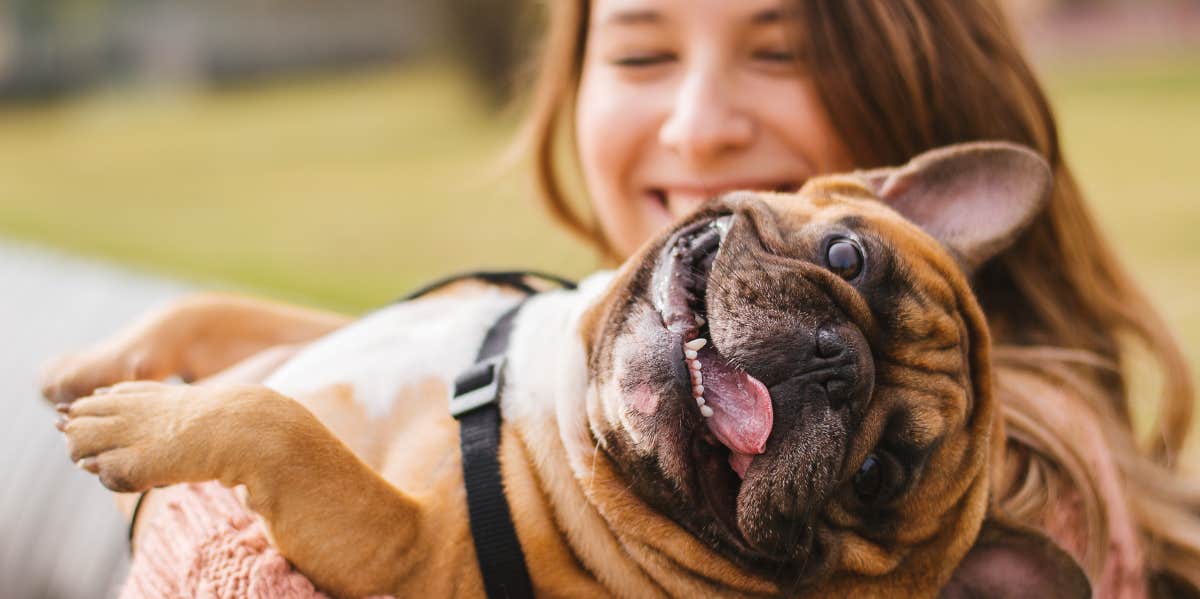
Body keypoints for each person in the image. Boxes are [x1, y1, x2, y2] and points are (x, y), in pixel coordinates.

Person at [61, 1, 1200, 597]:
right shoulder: (620, 348)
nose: (699, 122)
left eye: (778, 53)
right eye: (644, 54)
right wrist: (227, 334)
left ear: (917, 93)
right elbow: (431, 370)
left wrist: (191, 484)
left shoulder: (1033, 486)